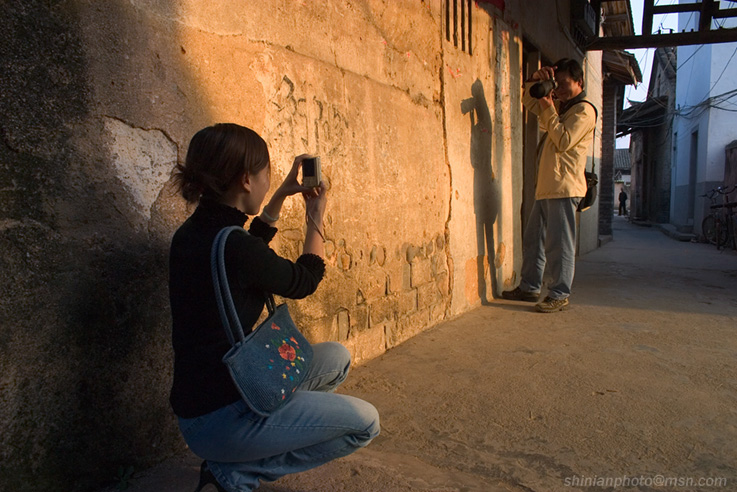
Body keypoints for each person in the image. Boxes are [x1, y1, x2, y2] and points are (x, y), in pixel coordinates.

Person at [169, 123, 380, 492]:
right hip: (222, 417)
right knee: (366, 422)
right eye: (267, 173)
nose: (270, 180)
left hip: (200, 407)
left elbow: (242, 250)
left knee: (336, 358)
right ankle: (234, 474)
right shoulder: (237, 249)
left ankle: (262, 437)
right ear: (246, 180)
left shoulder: (193, 233)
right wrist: (316, 212)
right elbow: (306, 278)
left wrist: (279, 197)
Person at [502, 59, 597, 313]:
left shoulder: (584, 111)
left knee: (559, 245)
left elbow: (563, 139)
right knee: (534, 240)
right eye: (558, 84)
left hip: (564, 188)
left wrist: (549, 107)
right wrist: (534, 80)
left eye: (565, 84)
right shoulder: (564, 109)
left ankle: (559, 293)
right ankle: (530, 287)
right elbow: (530, 103)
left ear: (580, 82)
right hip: (547, 186)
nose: (560, 90)